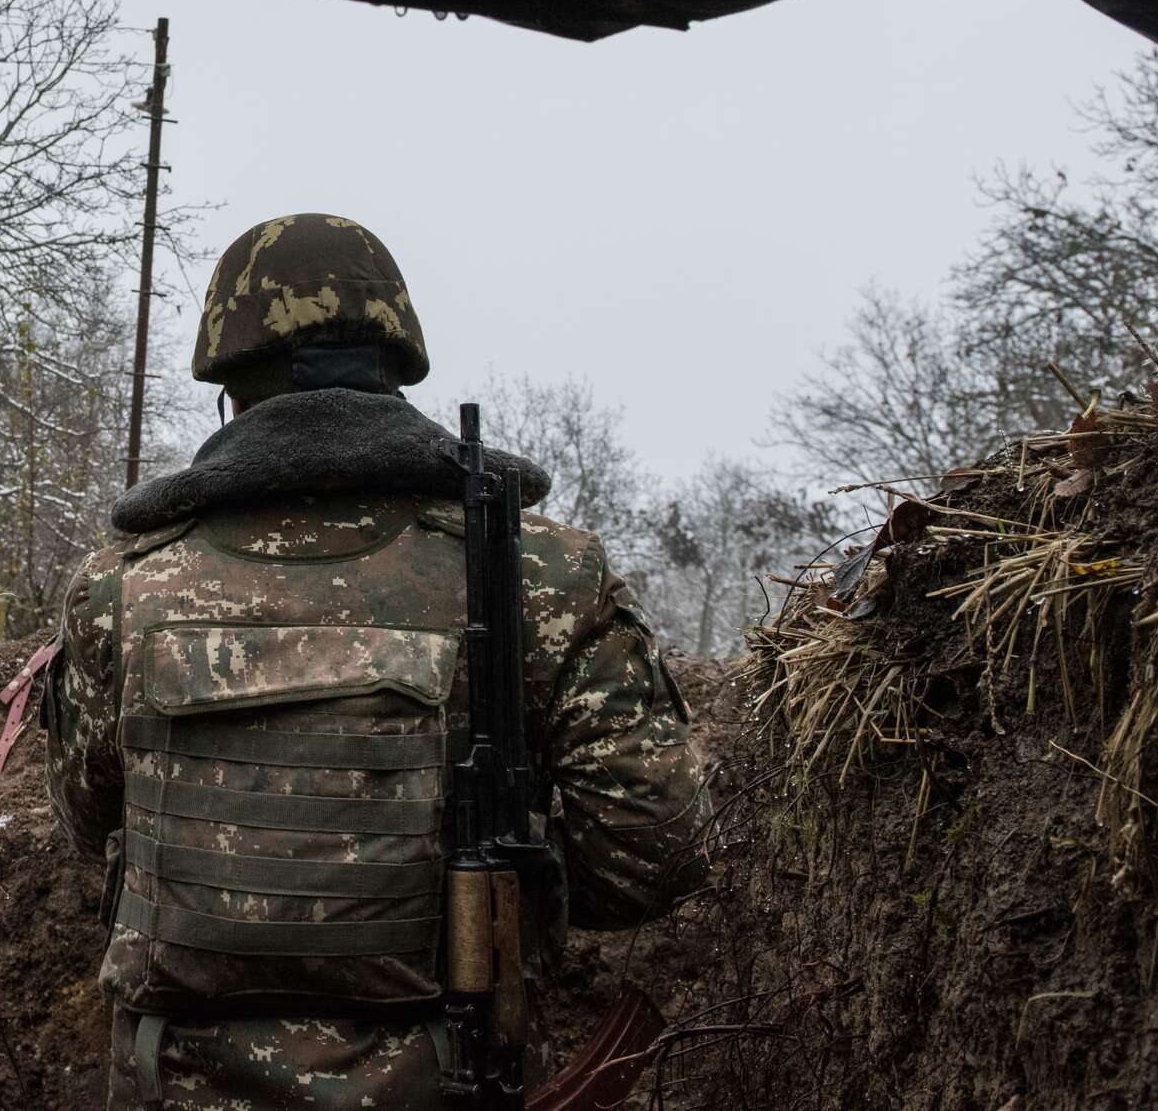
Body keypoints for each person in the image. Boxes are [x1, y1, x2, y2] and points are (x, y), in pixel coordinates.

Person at [45, 213, 710, 1109]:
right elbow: (650, 855)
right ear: (398, 365)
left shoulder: (118, 587)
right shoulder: (539, 573)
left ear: (228, 384)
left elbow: (91, 822)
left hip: (173, 1080)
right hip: (447, 1073)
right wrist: (507, 878)